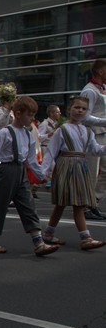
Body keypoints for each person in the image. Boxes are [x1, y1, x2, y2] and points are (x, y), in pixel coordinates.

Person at [0, 96, 58, 256]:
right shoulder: (5, 132)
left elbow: (31, 159)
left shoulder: (28, 135)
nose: (32, 119)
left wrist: (41, 175)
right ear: (17, 113)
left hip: (21, 171)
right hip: (7, 171)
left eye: (33, 115)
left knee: (28, 205)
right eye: (29, 115)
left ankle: (38, 242)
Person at [41, 96, 106, 250]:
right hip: (66, 165)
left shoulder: (87, 131)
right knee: (69, 203)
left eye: (83, 109)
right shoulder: (62, 130)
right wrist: (43, 172)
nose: (80, 111)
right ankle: (85, 238)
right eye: (77, 107)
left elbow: (95, 150)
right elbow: (51, 152)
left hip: (81, 167)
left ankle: (49, 234)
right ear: (69, 109)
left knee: (70, 204)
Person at [79, 59, 106, 220]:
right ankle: (85, 206)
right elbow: (84, 116)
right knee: (92, 172)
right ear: (100, 72)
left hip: (103, 135)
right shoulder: (89, 91)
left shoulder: (102, 89)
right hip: (92, 135)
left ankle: (93, 201)